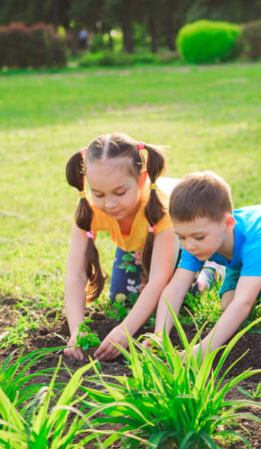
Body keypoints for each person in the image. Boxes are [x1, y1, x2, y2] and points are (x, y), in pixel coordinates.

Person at [153, 171, 261, 354]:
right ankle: (224, 273)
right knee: (228, 307)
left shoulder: (260, 239)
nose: (188, 245)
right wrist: (159, 336)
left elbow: (243, 302)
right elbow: (175, 288)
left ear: (228, 224)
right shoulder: (195, 240)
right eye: (180, 237)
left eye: (198, 237)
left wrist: (201, 351)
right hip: (242, 263)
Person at [64, 133, 177, 361]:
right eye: (99, 194)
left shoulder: (164, 209)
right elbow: (75, 273)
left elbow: (158, 278)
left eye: (120, 192)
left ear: (142, 179)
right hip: (137, 247)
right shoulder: (90, 210)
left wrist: (126, 331)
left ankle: (211, 269)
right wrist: (77, 329)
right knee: (122, 299)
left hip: (182, 243)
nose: (110, 203)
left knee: (179, 296)